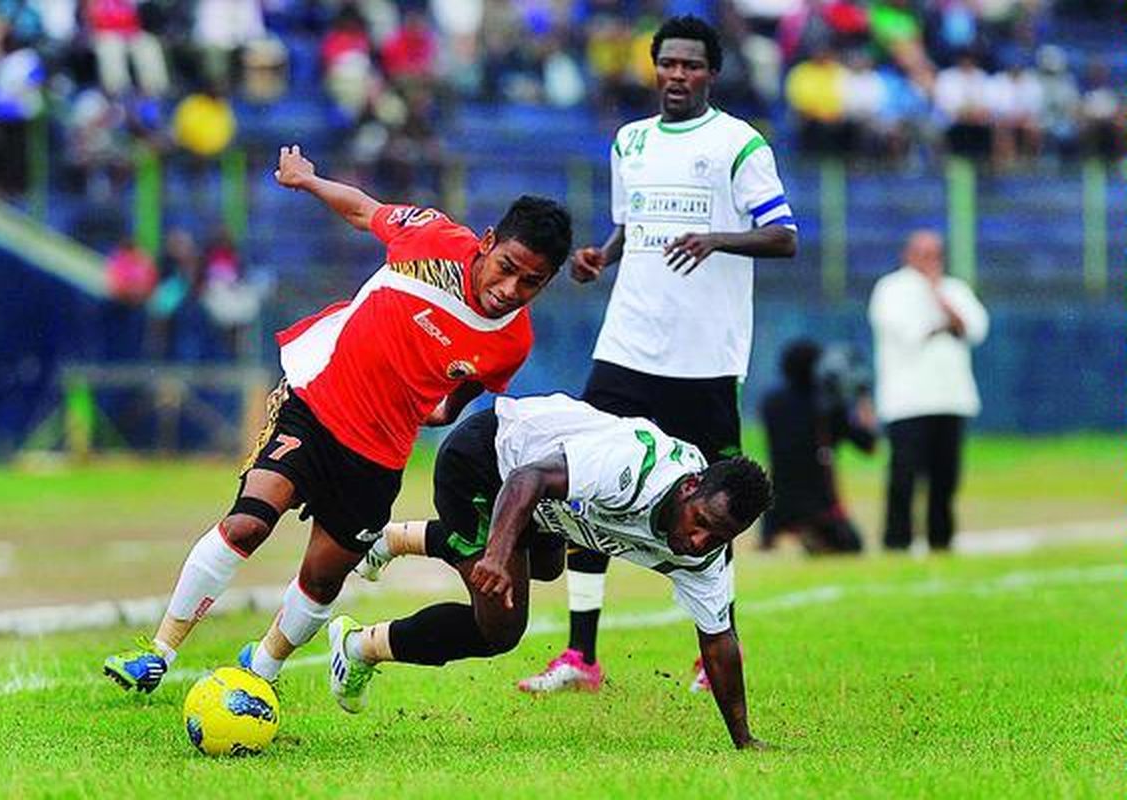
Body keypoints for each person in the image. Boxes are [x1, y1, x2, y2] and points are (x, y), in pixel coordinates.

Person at [102, 144, 573, 692]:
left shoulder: (512, 342)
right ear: (487, 242)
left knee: (323, 578)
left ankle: (260, 673)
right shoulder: (432, 238)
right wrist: (308, 180)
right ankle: (157, 652)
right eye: (506, 268)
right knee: (248, 523)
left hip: (378, 454)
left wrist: (426, 408)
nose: (509, 289)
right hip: (316, 403)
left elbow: (456, 399)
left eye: (531, 283)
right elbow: (362, 209)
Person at [520, 14, 797, 695]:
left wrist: (715, 239)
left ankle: (713, 650)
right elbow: (633, 222)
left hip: (704, 358)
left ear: (711, 73)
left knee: (718, 501)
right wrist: (602, 257)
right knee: (582, 480)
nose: (678, 75)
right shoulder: (630, 142)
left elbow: (784, 236)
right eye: (668, 64)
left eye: (691, 65)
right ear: (655, 68)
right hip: (627, 345)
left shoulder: (738, 144)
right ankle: (581, 656)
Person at [341, 393, 774, 749]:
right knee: (501, 628)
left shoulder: (702, 556)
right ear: (688, 487)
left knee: (546, 567)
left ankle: (394, 539)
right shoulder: (633, 468)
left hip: (542, 501)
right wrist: (496, 554)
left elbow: (719, 642)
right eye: (699, 522)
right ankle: (358, 646)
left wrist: (744, 740)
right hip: (485, 461)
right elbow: (527, 479)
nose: (698, 541)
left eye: (717, 537)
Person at [868, 230, 988, 552]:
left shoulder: (954, 288)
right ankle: (897, 540)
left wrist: (939, 297)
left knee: (945, 477)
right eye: (923, 253)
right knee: (905, 476)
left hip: (951, 398)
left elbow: (974, 328)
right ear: (908, 254)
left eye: (935, 253)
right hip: (907, 401)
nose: (930, 260)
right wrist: (943, 324)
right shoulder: (891, 289)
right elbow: (911, 332)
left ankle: (941, 539)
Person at [760, 340, 878, 554]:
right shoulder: (826, 406)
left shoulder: (771, 403)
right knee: (853, 547)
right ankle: (811, 535)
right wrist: (862, 397)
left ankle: (780, 538)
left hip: (776, 504)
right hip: (819, 506)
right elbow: (869, 445)